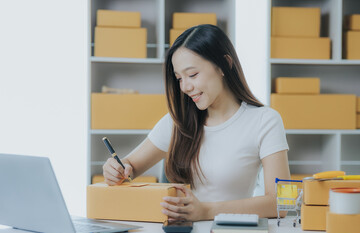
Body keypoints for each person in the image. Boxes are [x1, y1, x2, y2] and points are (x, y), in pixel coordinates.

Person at [103, 24, 290, 222]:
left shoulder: (265, 121)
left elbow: (281, 203)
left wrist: (207, 211)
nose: (185, 87)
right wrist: (115, 170)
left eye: (192, 75)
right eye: (179, 78)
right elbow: (129, 167)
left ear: (224, 65)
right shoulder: (177, 122)